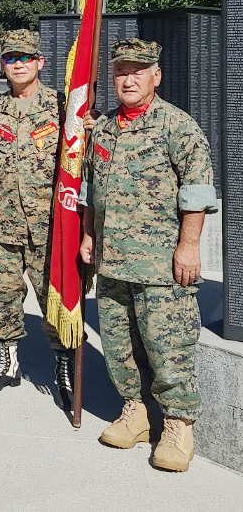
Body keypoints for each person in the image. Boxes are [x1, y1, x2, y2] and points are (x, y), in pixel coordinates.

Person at [80, 38, 216, 473]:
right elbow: (89, 190)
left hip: (162, 264)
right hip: (112, 260)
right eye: (121, 71)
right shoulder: (102, 129)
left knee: (167, 346)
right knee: (119, 345)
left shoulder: (178, 126)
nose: (129, 78)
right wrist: (88, 236)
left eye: (139, 70)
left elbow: (196, 193)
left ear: (156, 75)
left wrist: (189, 245)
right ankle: (135, 412)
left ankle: (178, 424)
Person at [0, 29, 71, 394]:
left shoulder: (62, 107)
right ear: (3, 64)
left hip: (50, 224)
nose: (18, 64)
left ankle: (64, 362)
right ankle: (8, 361)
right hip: (4, 221)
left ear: (40, 62)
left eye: (25, 57)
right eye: (11, 58)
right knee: (2, 294)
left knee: (52, 299)